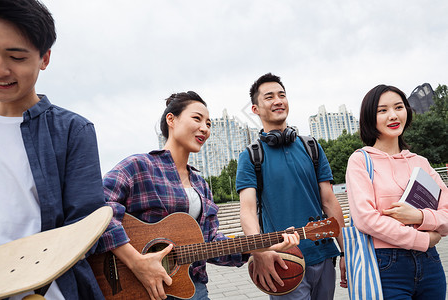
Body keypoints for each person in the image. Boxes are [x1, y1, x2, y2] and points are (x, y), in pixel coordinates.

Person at [97, 91, 300, 300]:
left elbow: (210, 243)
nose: (205, 128)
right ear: (171, 119)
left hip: (191, 289)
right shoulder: (139, 166)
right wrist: (135, 262)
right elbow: (97, 209)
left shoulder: (200, 185)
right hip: (140, 289)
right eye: (197, 119)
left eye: (209, 124)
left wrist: (261, 246)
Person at [0, 0, 106, 299]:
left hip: (47, 290)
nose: (1, 69)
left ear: (44, 58)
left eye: (16, 56)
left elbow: (85, 225)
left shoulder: (73, 131)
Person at [236, 73, 346, 300]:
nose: (278, 100)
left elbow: (329, 201)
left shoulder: (311, 147)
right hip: (283, 262)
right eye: (269, 97)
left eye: (282, 95)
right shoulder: (250, 157)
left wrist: (346, 251)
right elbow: (247, 211)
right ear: (255, 109)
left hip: (324, 255)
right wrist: (260, 252)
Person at [345, 84, 448, 299]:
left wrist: (420, 216)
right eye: (382, 110)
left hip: (430, 264)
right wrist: (423, 239)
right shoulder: (360, 161)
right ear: (369, 117)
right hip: (385, 265)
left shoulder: (421, 163)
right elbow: (366, 219)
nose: (393, 115)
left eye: (399, 107)